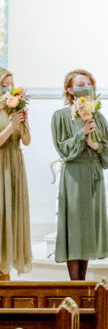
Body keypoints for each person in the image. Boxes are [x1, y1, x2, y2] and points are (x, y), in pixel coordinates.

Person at [52, 69, 108, 280]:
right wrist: (81, 134)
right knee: (74, 227)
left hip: (93, 174)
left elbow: (106, 146)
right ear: (70, 89)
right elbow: (62, 148)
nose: (85, 88)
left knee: (87, 229)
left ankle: (83, 283)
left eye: (88, 84)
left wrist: (94, 144)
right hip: (74, 175)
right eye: (79, 85)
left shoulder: (99, 117)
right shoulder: (61, 116)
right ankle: (73, 284)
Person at [0, 68, 31, 278]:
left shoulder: (16, 109)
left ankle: (7, 269)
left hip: (16, 164)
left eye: (11, 84)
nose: (8, 88)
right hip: (1, 164)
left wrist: (21, 123)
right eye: (4, 84)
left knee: (13, 214)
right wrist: (11, 126)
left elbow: (27, 141)